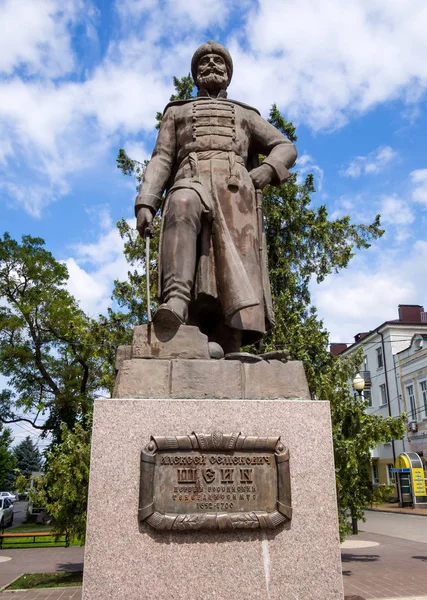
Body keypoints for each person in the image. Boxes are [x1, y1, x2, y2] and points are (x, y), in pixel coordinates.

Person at [135, 41, 297, 353]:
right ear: (195, 73)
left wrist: (268, 170)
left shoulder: (244, 114)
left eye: (219, 61)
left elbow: (285, 146)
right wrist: (146, 201)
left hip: (235, 192)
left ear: (229, 72)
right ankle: (176, 301)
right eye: (204, 61)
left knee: (236, 261)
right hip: (191, 177)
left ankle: (230, 339)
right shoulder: (177, 112)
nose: (212, 65)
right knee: (181, 203)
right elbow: (162, 159)